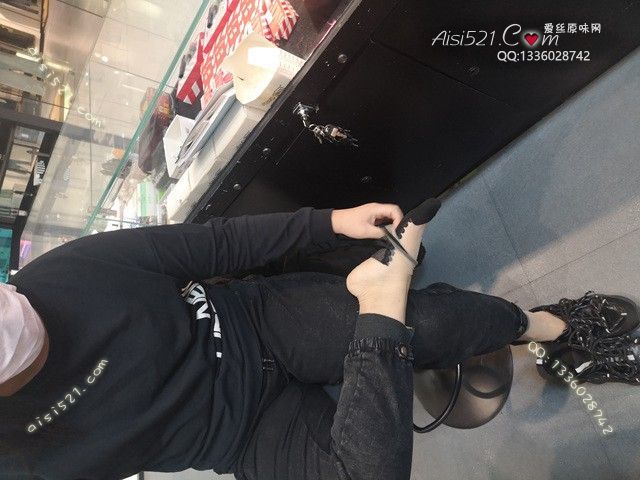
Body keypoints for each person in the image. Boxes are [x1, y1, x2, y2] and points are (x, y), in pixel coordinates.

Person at [0, 200, 637, 480]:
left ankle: (553, 325)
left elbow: (215, 244)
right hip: (239, 434)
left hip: (254, 322)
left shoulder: (62, 273)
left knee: (434, 326)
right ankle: (381, 301)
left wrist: (330, 222)